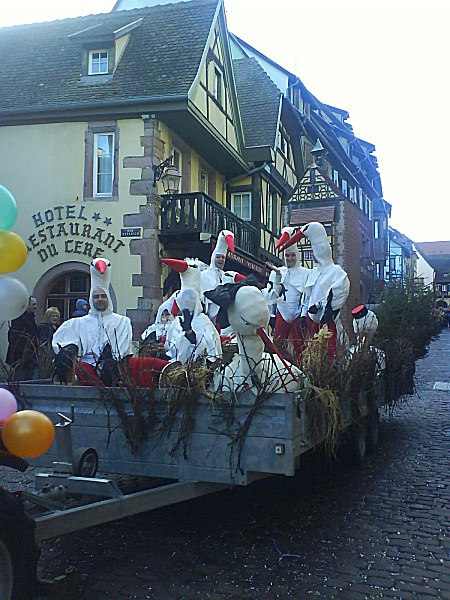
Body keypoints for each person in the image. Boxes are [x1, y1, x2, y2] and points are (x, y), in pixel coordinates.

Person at [52, 257, 167, 386]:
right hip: (83, 372)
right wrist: (70, 348)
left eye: (103, 296)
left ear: (108, 298)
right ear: (91, 299)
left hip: (113, 372)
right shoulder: (76, 324)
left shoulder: (122, 322)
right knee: (83, 368)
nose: (100, 299)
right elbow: (61, 343)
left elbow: (122, 350)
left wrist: (110, 359)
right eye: (96, 297)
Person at [263, 228, 309, 359]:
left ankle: (301, 370)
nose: (290, 258)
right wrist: (277, 275)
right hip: (282, 311)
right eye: (287, 255)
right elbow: (273, 296)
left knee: (299, 346)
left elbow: (307, 296)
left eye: (292, 255)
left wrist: (304, 315)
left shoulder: (305, 273)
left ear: (297, 256)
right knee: (277, 345)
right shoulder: (278, 271)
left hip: (298, 313)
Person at [164, 288, 222, 365]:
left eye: (190, 300)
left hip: (202, 365)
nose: (187, 303)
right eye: (185, 300)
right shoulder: (177, 322)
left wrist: (191, 335)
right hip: (178, 365)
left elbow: (209, 346)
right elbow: (170, 347)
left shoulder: (203, 320)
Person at [6, 296, 38, 380]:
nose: (36, 306)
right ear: (27, 305)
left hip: (28, 356)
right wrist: (24, 353)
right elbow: (16, 338)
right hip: (21, 356)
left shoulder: (30, 318)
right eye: (33, 304)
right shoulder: (19, 319)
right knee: (21, 380)